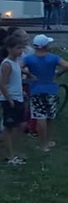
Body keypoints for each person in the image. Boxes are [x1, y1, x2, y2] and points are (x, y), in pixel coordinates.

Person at [23, 34, 68, 152]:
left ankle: (43, 144)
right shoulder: (53, 58)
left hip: (36, 90)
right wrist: (57, 74)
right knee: (50, 116)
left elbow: (18, 66)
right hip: (51, 89)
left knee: (40, 117)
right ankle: (49, 140)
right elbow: (67, 66)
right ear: (46, 45)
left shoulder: (29, 59)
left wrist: (29, 74)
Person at [0, 35, 27, 164]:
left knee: (21, 125)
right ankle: (9, 156)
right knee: (9, 127)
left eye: (21, 48)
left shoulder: (16, 62)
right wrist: (9, 99)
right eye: (18, 48)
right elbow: (2, 84)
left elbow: (16, 81)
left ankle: (13, 151)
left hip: (18, 97)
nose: (20, 51)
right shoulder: (7, 64)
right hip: (10, 99)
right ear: (10, 48)